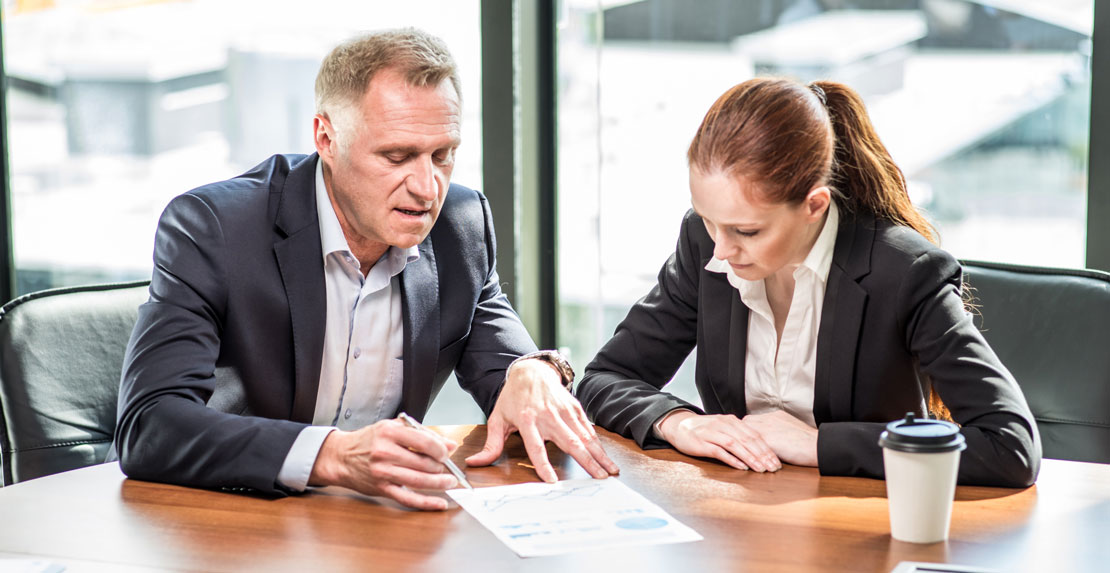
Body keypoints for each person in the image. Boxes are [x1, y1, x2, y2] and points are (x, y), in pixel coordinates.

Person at [114, 28, 617, 510]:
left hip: (379, 526)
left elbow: (504, 362)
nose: (427, 187)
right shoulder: (217, 229)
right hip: (236, 522)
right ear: (326, 138)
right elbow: (150, 425)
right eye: (397, 156)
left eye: (443, 155)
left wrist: (534, 371)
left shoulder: (458, 224)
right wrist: (331, 455)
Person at [575, 78, 1040, 487]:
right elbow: (604, 378)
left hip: (861, 529)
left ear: (814, 205)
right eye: (709, 220)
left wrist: (820, 445)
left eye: (747, 231)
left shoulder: (905, 271)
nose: (720, 250)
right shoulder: (704, 243)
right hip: (737, 521)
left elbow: (1010, 445)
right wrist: (677, 422)